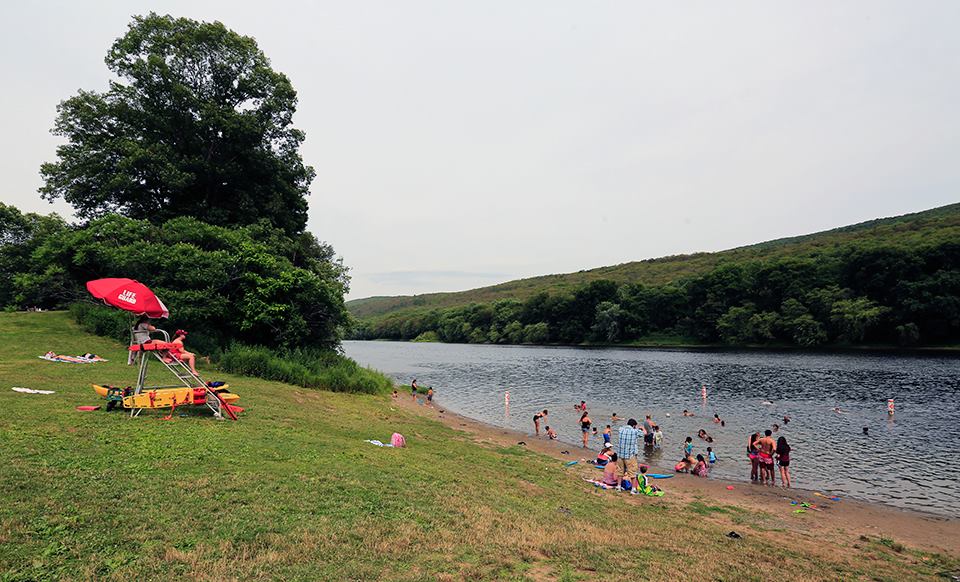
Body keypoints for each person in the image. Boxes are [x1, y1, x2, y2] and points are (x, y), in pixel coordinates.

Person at [616, 419, 643, 492]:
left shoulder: (621, 429)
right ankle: (633, 489)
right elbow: (644, 433)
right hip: (629, 456)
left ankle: (618, 486)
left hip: (620, 455)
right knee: (632, 473)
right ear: (634, 425)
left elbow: (621, 429)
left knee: (620, 472)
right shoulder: (635, 431)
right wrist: (641, 428)